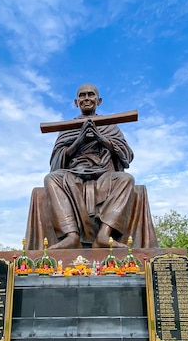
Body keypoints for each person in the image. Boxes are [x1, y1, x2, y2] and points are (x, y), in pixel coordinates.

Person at [45, 84, 135, 249]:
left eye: (91, 95)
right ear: (76, 102)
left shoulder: (110, 126)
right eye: (82, 95)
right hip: (74, 173)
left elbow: (126, 156)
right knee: (51, 178)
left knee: (126, 179)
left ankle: (104, 235)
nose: (86, 98)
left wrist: (99, 137)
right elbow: (56, 161)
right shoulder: (67, 129)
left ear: (98, 100)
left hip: (104, 174)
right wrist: (79, 139)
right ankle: (71, 235)